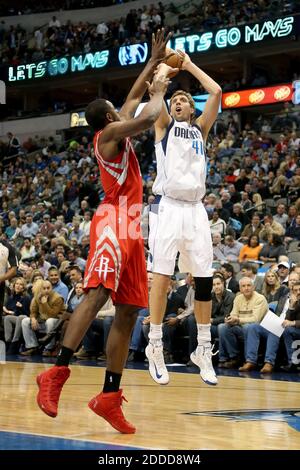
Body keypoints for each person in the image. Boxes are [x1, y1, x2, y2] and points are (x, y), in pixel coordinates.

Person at [35, 30, 174, 435]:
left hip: (133, 224)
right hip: (113, 220)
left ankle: (108, 397)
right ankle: (56, 372)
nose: (121, 107)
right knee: (97, 295)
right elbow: (148, 116)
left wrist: (152, 62)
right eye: (116, 108)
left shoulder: (115, 123)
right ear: (110, 117)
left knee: (129, 309)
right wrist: (160, 86)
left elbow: (133, 97)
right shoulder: (109, 135)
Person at [146, 50, 222, 386]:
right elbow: (156, 93)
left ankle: (203, 348)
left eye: (183, 100)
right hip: (169, 206)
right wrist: (164, 72)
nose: (177, 103)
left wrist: (188, 65)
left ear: (192, 108)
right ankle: (155, 344)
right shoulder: (163, 127)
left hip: (195, 210)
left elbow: (217, 92)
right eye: (175, 100)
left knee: (204, 278)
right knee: (162, 277)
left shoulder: (200, 130)